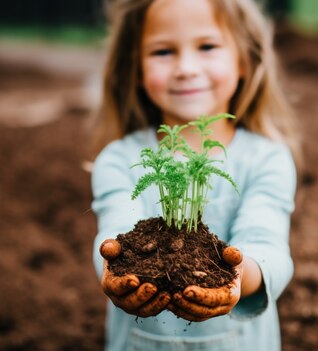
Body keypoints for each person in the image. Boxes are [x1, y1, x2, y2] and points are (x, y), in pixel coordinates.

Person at [90, 0, 300, 350]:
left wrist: (239, 276)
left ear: (245, 60)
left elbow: (268, 245)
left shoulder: (267, 158)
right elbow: (114, 239)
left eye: (207, 46)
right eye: (163, 51)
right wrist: (115, 271)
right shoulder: (119, 159)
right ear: (136, 68)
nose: (186, 68)